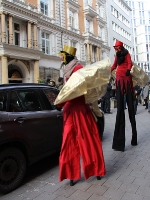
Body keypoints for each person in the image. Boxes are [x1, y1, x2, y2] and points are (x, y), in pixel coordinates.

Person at [56, 45, 106, 186]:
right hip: (70, 111)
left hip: (80, 111)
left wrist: (60, 102)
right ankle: (71, 174)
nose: (61, 58)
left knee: (88, 141)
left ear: (68, 56)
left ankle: (96, 170)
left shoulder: (78, 69)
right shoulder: (68, 70)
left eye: (63, 55)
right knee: (69, 143)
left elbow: (75, 91)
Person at [111, 40, 137, 152]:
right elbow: (114, 65)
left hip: (126, 79)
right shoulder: (117, 55)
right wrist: (108, 71)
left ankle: (134, 137)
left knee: (131, 108)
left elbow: (130, 63)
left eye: (117, 47)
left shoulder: (127, 54)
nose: (116, 49)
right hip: (119, 79)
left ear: (120, 47)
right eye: (115, 47)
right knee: (120, 109)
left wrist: (128, 70)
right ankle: (119, 143)